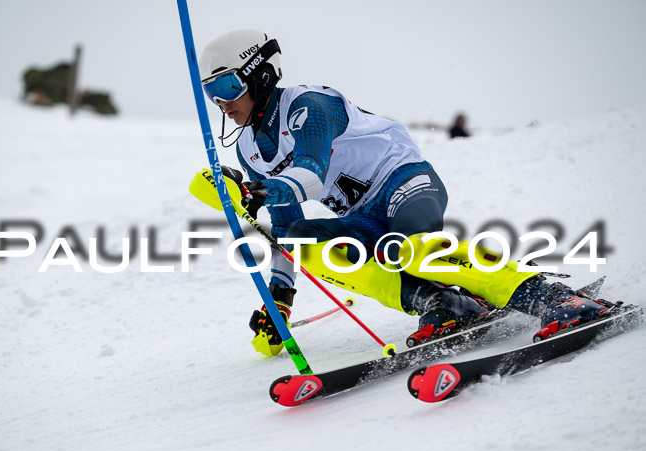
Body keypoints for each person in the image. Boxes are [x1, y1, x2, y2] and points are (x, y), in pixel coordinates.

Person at [198, 29, 608, 357]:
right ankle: (442, 304)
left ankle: (553, 297)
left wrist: (258, 191)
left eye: (229, 86)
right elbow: (285, 231)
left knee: (409, 248)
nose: (220, 102)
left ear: (261, 75)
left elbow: (311, 171)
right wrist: (280, 301)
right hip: (363, 214)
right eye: (209, 91)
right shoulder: (249, 147)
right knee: (303, 239)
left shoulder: (309, 104)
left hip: (402, 182)